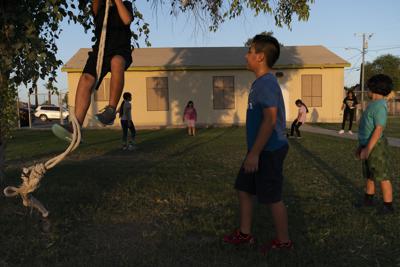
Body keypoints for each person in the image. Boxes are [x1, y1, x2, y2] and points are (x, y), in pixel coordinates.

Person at [223, 35, 292, 253]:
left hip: (268, 150)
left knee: (272, 198)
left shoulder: (266, 84)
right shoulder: (259, 83)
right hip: (257, 150)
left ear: (260, 57)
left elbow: (270, 119)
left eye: (250, 51)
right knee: (243, 189)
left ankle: (283, 242)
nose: (246, 55)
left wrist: (254, 153)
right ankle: (245, 234)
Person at [52, 0, 133, 141]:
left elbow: (126, 20)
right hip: (101, 52)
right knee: (85, 79)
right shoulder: (99, 8)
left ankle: (110, 111)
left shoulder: (125, 4)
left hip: (120, 49)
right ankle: (75, 128)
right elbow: (95, 6)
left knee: (117, 62)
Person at [355, 74, 394, 214]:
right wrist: (362, 146)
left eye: (368, 88)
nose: (366, 91)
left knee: (382, 176)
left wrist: (368, 149)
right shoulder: (373, 104)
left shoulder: (380, 106)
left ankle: (388, 206)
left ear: (374, 89)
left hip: (376, 146)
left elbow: (378, 129)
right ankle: (368, 200)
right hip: (367, 144)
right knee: (370, 175)